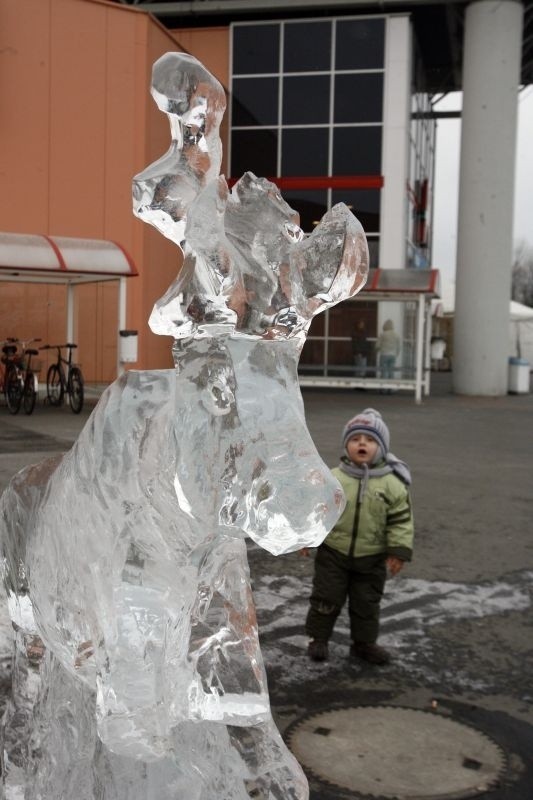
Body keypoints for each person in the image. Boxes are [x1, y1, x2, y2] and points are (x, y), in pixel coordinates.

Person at [304, 408, 414, 665]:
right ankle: (318, 639)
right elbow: (319, 511)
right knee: (325, 597)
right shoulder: (335, 478)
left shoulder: (393, 483)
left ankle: (363, 644)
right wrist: (308, 538)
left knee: (367, 603)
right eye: (355, 439)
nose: (362, 443)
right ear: (347, 445)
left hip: (372, 556)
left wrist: (398, 550)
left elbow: (401, 520)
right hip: (334, 553)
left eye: (370, 440)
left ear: (382, 448)